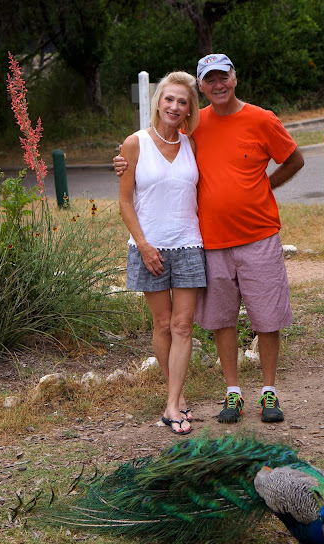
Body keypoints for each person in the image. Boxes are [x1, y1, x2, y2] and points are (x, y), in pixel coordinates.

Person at [115, 54, 304, 425]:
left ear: (235, 78)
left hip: (256, 236)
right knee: (221, 319)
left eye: (224, 77)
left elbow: (294, 159)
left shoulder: (261, 118)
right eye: (210, 80)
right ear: (202, 87)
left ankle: (269, 391)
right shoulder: (194, 129)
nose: (218, 84)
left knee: (266, 318)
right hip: (211, 241)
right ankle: (232, 393)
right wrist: (122, 162)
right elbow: (153, 151)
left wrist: (266, 185)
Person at [118, 71, 206, 435]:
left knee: (184, 326)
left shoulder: (192, 145)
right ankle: (176, 396)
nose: (174, 106)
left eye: (182, 102)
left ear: (189, 110)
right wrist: (143, 245)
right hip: (148, 246)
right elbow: (124, 201)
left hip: (188, 243)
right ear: (158, 101)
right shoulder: (134, 143)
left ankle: (172, 403)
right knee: (163, 324)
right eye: (169, 99)